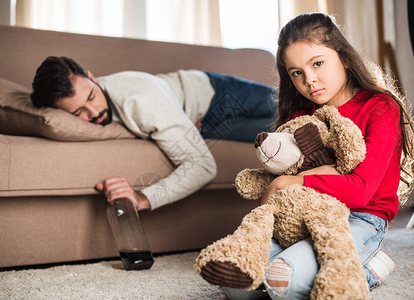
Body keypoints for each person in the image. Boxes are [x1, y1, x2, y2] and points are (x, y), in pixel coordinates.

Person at [200, 13, 414, 300]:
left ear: (344, 58)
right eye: (296, 72)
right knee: (237, 285)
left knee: (282, 282)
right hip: (301, 218)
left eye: (317, 63)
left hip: (360, 218)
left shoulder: (380, 107)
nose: (310, 80)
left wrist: (298, 180)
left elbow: (360, 191)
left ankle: (368, 271)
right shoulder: (302, 115)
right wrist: (294, 183)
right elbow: (277, 191)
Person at [30, 57, 277, 211]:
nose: (94, 112)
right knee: (284, 133)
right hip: (205, 126)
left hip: (214, 92)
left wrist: (143, 198)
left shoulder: (140, 101)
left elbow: (202, 166)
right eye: (78, 112)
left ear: (93, 78)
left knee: (297, 102)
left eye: (92, 96)